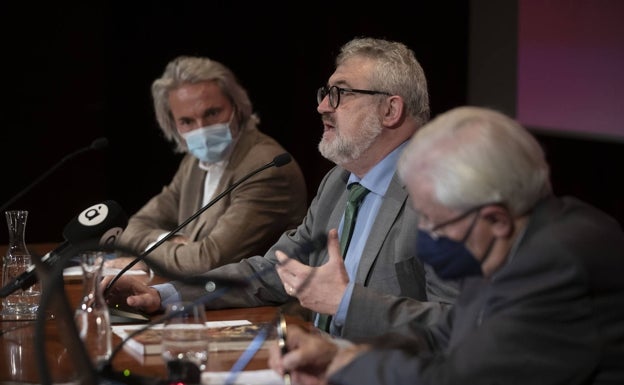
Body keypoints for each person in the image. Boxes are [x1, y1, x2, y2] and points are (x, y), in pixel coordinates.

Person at [105, 37, 459, 340]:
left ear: (390, 109)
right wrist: (163, 294)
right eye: (325, 93)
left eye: (341, 94)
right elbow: (274, 270)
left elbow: (457, 326)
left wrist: (347, 302)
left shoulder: (442, 193)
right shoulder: (339, 183)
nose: (322, 107)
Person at [268, 106, 624, 385]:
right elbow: (449, 329)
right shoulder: (507, 241)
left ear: (496, 219)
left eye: (435, 222)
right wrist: (338, 353)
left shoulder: (553, 263)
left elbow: (458, 379)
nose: (424, 233)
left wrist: (346, 368)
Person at [106, 56, 308, 274]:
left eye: (212, 113)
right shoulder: (192, 164)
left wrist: (147, 257)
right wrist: (171, 241)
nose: (202, 129)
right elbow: (131, 230)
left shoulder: (266, 167)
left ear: (237, 107)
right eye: (187, 121)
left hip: (255, 304)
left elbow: (209, 260)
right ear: (173, 126)